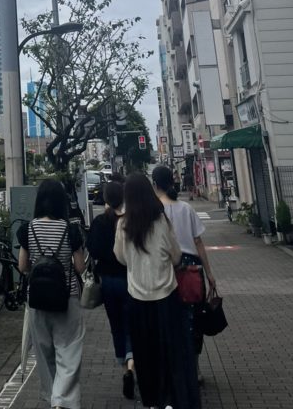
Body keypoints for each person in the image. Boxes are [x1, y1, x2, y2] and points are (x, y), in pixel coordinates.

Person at [114, 173, 199, 409]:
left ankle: (151, 400)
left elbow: (120, 257)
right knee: (171, 352)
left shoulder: (123, 224)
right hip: (166, 298)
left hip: (138, 299)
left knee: (145, 353)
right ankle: (173, 399)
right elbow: (176, 255)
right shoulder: (161, 220)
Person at [18, 178, 86, 409]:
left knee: (44, 353)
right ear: (61, 202)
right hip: (68, 297)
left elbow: (22, 266)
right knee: (68, 351)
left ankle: (52, 398)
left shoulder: (28, 228)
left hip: (37, 299)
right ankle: (62, 401)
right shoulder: (71, 229)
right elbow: (79, 267)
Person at [152, 164, 216, 376]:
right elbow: (198, 242)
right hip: (191, 269)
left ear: (154, 184)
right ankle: (194, 366)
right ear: (172, 181)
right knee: (194, 318)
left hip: (165, 268)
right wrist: (209, 272)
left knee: (169, 318)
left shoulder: (153, 210)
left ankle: (174, 366)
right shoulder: (185, 208)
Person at [87, 181, 135, 400]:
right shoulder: (129, 221)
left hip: (107, 281)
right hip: (130, 280)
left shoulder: (99, 222)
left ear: (106, 199)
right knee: (132, 325)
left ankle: (125, 370)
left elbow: (93, 249)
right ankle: (133, 361)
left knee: (116, 326)